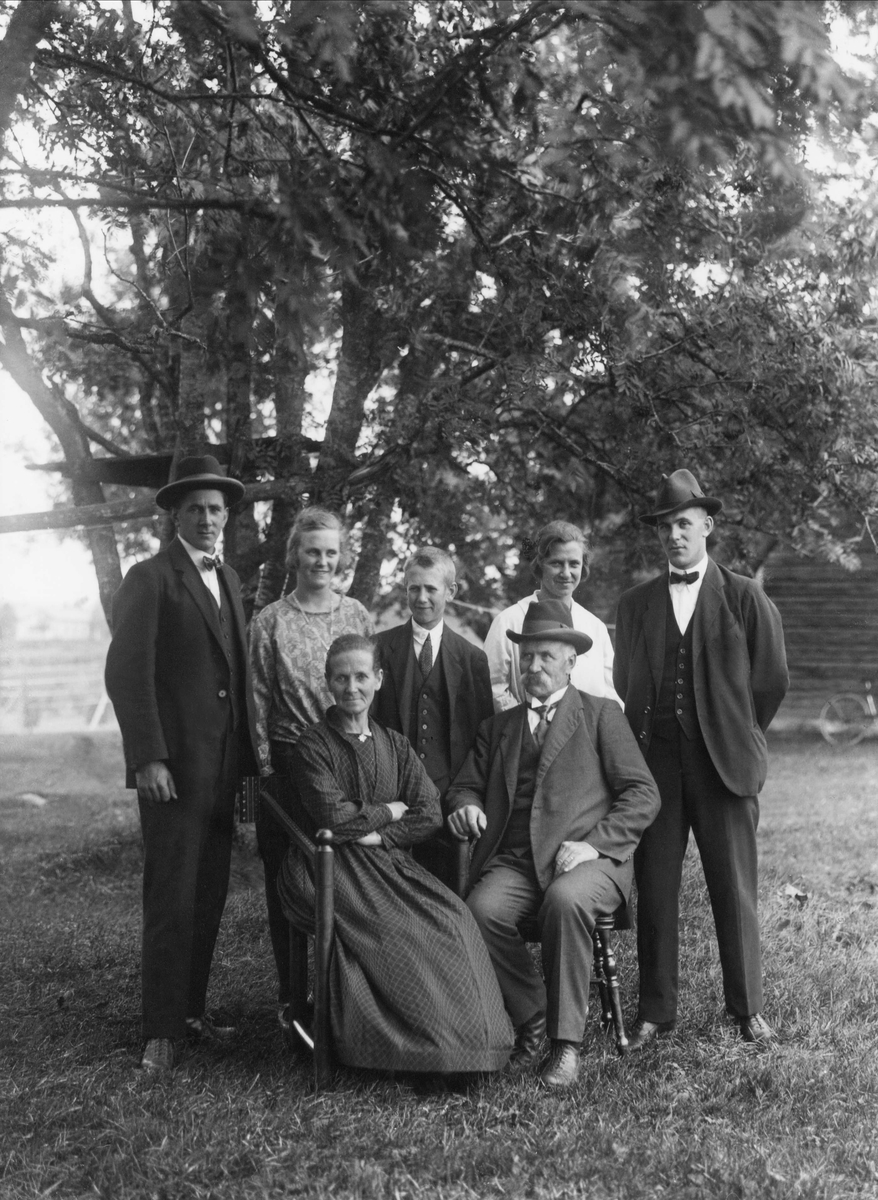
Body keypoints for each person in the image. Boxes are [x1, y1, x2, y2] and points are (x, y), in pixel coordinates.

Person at [447, 599, 660, 1088]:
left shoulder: (601, 715)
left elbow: (643, 793)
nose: (534, 666)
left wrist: (595, 845)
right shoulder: (498, 728)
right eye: (527, 657)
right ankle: (533, 1013)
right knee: (480, 911)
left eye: (546, 656)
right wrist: (465, 805)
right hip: (518, 860)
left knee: (565, 901)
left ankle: (566, 1047)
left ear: (570, 662)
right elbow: (464, 786)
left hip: (589, 861)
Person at [277, 634, 513, 1074]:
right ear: (328, 683)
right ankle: (409, 1050)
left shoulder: (396, 745)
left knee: (452, 918)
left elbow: (429, 814)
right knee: (395, 931)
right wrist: (390, 810)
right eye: (341, 678)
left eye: (361, 676)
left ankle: (471, 1044)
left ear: (379, 680)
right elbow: (333, 817)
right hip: (328, 866)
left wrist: (380, 838)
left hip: (388, 863)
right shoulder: (312, 746)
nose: (352, 687)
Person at [613, 469, 789, 1049]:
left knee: (734, 889)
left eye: (684, 524)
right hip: (656, 767)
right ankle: (655, 1011)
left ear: (707, 526)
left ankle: (747, 1009)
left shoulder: (744, 597)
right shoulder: (635, 605)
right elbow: (626, 680)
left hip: (724, 768)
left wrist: (735, 733)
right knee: (656, 887)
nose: (674, 536)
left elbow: (770, 682)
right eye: (665, 527)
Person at [104, 454, 259, 1073]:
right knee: (171, 896)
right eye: (194, 508)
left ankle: (191, 1013)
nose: (206, 518)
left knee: (209, 894)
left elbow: (235, 678)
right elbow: (126, 675)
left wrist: (245, 769)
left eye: (215, 509)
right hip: (173, 773)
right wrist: (148, 759)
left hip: (223, 769)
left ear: (226, 517)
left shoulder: (231, 580)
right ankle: (161, 1031)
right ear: (174, 515)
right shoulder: (150, 578)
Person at [248, 508, 373, 1032]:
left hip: (347, 763)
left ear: (341, 558)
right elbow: (257, 700)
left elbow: (368, 690)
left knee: (350, 878)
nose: (322, 561)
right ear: (294, 556)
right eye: (312, 551)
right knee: (290, 880)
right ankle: (292, 999)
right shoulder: (270, 621)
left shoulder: (357, 614)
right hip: (289, 764)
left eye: (330, 552)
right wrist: (264, 774)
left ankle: (346, 995)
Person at [370, 546, 493, 886]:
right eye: (414, 588)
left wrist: (463, 797)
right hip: (391, 793)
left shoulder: (471, 658)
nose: (421, 598)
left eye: (431, 589)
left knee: (444, 887)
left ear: (450, 592)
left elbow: (481, 738)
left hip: (447, 797)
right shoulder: (379, 648)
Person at [483, 521, 619, 712]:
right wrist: (532, 723)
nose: (566, 573)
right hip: (525, 728)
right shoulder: (509, 621)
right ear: (540, 565)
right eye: (556, 563)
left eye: (574, 564)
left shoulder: (596, 628)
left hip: (587, 729)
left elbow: (611, 694)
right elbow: (493, 688)